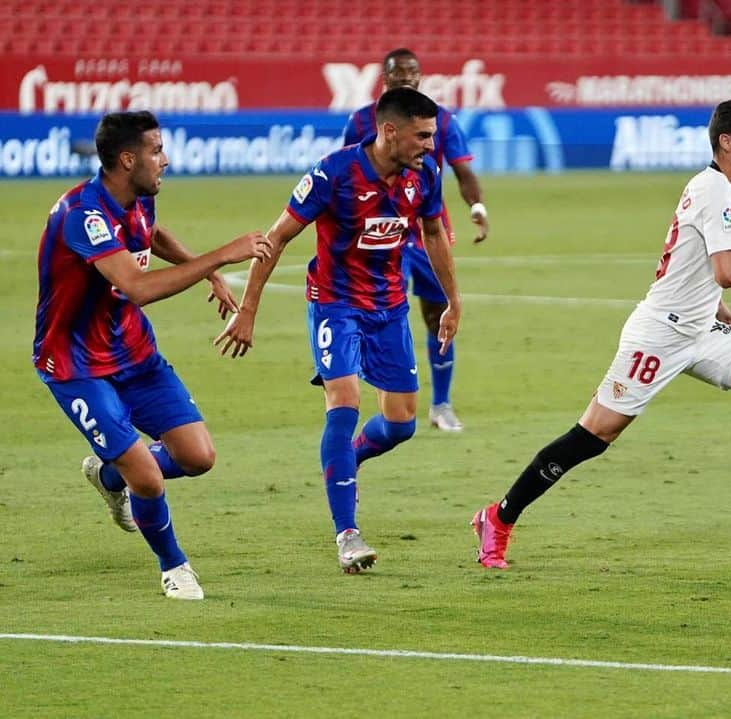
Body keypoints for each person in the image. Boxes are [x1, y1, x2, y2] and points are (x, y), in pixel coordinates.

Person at [471, 100, 731, 569]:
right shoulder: (715, 189)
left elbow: (690, 252)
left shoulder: (720, 186)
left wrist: (711, 300)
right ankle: (498, 518)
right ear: (727, 142)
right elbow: (729, 269)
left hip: (700, 327)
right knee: (594, 435)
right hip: (659, 336)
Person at [216, 87, 462, 574]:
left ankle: (343, 463)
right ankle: (347, 534)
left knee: (401, 424)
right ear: (389, 131)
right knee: (343, 404)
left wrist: (454, 300)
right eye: (423, 135)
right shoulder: (334, 173)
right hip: (335, 304)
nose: (431, 146)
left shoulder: (425, 175)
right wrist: (247, 310)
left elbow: (433, 234)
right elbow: (279, 236)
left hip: (389, 307)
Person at [33, 110, 272, 599]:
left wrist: (200, 269)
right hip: (78, 365)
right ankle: (174, 566)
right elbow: (136, 286)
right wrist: (221, 255)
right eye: (156, 150)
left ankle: (106, 473)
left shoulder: (138, 200)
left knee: (198, 456)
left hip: (134, 353)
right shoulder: (85, 214)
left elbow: (152, 236)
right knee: (146, 475)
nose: (165, 159)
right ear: (127, 158)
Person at [343, 48, 488, 432]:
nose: (405, 78)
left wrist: (477, 208)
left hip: (427, 228)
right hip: (381, 229)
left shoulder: (440, 120)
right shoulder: (361, 121)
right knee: (377, 307)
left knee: (435, 312)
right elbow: (346, 171)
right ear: (385, 78)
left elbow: (462, 171)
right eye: (398, 73)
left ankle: (441, 404)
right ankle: (363, 390)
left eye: (412, 72)